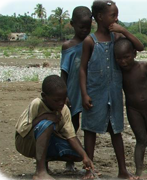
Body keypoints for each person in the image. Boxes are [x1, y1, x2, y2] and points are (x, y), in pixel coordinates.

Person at [79, 0, 144, 179]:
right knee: (90, 131)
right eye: (113, 15)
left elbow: (140, 47)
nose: (116, 18)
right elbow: (82, 68)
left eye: (117, 15)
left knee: (116, 131)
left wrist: (123, 30)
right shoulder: (89, 41)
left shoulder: (117, 38)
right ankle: (89, 170)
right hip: (94, 93)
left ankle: (122, 170)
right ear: (100, 17)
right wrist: (84, 94)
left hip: (114, 93)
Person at [15, 75, 94, 180]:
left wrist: (85, 157)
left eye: (63, 99)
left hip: (47, 143)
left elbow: (71, 136)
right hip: (25, 143)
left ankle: (45, 163)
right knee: (47, 125)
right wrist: (45, 117)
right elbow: (23, 129)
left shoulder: (64, 109)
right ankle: (40, 171)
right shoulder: (37, 104)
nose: (61, 103)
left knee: (78, 154)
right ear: (44, 96)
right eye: (56, 100)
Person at [114, 38, 147, 177]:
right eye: (119, 59)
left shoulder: (143, 67)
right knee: (142, 139)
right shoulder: (119, 73)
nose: (123, 61)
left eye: (126, 57)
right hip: (133, 110)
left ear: (134, 54)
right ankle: (139, 170)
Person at [60, 6, 92, 171]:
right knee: (72, 126)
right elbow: (64, 72)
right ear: (72, 24)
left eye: (88, 27)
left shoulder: (92, 42)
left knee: (86, 126)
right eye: (81, 27)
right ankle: (70, 160)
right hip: (73, 92)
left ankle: (87, 159)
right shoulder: (68, 46)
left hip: (88, 91)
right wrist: (64, 94)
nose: (85, 30)